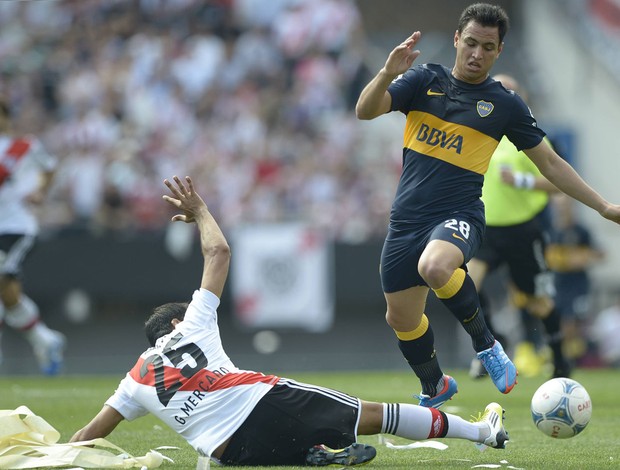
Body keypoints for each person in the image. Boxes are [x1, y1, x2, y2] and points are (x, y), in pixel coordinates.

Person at [70, 176, 510, 467]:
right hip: (260, 402)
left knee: (247, 451)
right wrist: (201, 212)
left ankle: (312, 454)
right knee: (377, 415)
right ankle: (481, 432)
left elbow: (88, 435)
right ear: (173, 324)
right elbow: (218, 253)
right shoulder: (190, 326)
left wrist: (45, 455)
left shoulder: (133, 381)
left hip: (232, 451)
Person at [355, 2, 620, 407]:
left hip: (459, 214)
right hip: (405, 221)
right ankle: (435, 385)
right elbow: (365, 110)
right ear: (458, 39)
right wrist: (387, 72)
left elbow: (549, 162)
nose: (477, 53)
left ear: (499, 51)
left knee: (435, 266)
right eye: (472, 43)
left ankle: (488, 345)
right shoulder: (423, 80)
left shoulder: (504, 104)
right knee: (401, 319)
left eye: (488, 47)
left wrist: (602, 206)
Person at [466, 73, 571, 381]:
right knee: (464, 286)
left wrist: (523, 180)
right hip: (486, 229)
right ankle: (493, 343)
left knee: (538, 302)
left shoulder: (528, 138)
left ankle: (560, 358)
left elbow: (558, 182)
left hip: (524, 231)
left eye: (508, 90)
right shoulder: (477, 136)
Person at [0, 95, 65, 375]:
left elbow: (50, 168)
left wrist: (40, 190)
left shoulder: (24, 146)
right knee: (9, 295)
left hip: (17, 227)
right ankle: (45, 339)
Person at [546, 194, 605, 364]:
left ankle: (570, 356)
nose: (562, 209)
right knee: (560, 318)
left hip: (578, 284)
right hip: (559, 283)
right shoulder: (552, 231)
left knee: (572, 319)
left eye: (565, 205)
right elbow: (547, 256)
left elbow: (599, 253)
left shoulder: (581, 230)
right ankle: (565, 354)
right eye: (558, 206)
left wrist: (583, 256)